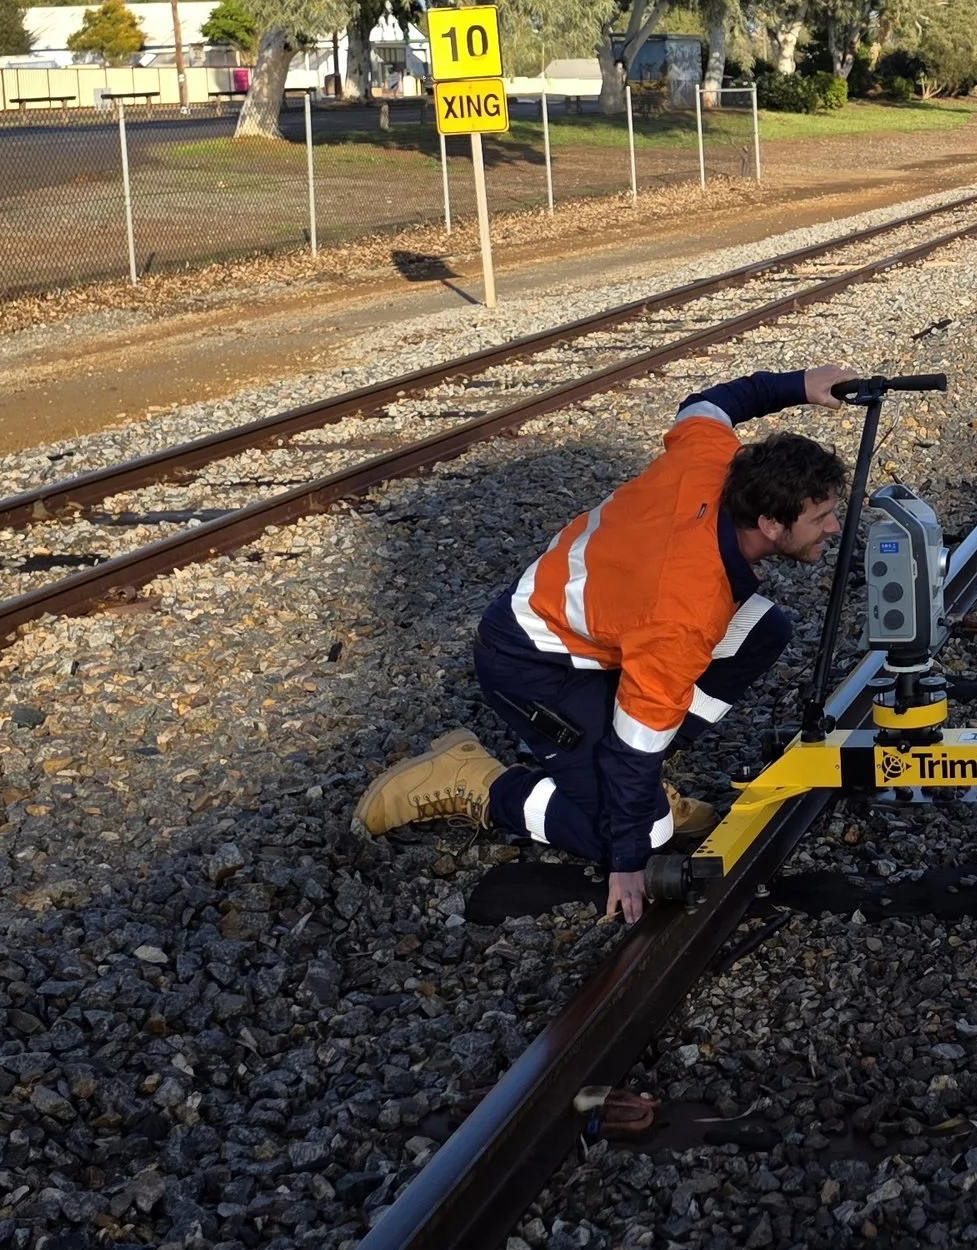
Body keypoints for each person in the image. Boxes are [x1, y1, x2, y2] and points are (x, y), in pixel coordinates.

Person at [354, 365, 855, 919]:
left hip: (601, 627)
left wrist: (802, 383)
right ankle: (478, 781)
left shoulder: (712, 458)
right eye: (822, 517)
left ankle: (611, 770)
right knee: (642, 835)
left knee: (765, 629)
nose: (833, 528)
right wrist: (625, 857)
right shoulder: (684, 615)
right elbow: (632, 749)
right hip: (529, 663)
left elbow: (708, 402)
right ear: (768, 522)